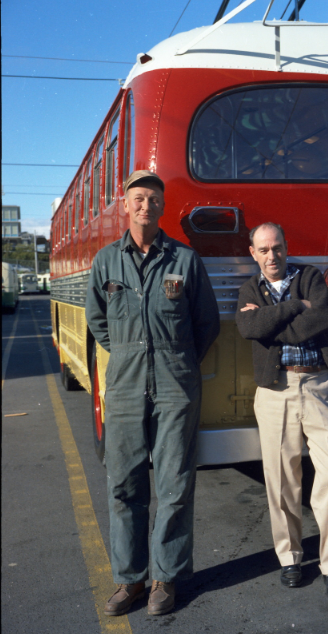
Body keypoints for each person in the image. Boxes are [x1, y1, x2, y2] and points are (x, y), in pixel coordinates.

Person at [86, 170, 220, 616]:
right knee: (123, 484)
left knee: (174, 484)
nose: (146, 205)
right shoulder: (106, 261)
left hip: (176, 387)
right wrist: (129, 355)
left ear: (163, 207)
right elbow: (98, 322)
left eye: (153, 199)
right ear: (125, 205)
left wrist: (176, 363)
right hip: (124, 387)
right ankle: (130, 581)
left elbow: (206, 323)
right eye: (138, 198)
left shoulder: (184, 259)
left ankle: (166, 578)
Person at [235, 222, 328, 598]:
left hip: (317, 386)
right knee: (282, 482)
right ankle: (291, 559)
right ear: (253, 253)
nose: (272, 256)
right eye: (263, 250)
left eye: (277, 248)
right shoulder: (250, 289)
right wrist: (296, 307)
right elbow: (247, 325)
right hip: (275, 391)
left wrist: (270, 322)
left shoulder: (311, 276)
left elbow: (323, 318)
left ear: (286, 246)